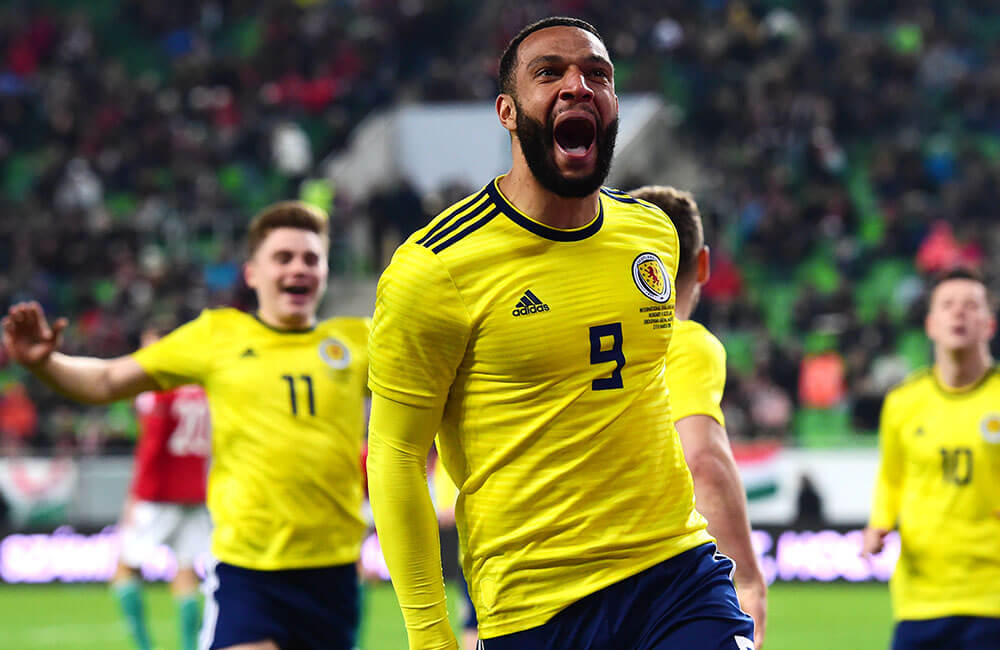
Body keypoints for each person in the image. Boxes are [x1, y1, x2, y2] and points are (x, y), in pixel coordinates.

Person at [366, 16, 754, 650]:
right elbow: (396, 455)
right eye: (549, 73)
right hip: (538, 606)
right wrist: (431, 637)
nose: (579, 85)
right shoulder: (436, 270)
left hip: (676, 573)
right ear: (508, 112)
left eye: (597, 74)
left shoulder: (652, 234)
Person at [2, 201, 369, 650]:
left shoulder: (358, 341)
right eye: (284, 257)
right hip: (248, 571)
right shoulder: (217, 335)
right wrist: (46, 364)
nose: (299, 268)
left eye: (311, 258)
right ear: (252, 273)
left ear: (326, 270)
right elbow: (107, 380)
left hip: (334, 570)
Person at [629, 185, 767, 648]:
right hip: (656, 583)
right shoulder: (683, 340)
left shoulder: (579, 344)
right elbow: (703, 461)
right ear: (703, 264)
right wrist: (747, 577)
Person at [862, 267, 1000, 650]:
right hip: (920, 599)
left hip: (992, 597)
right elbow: (892, 477)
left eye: (971, 306)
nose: (959, 313)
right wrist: (879, 524)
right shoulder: (903, 402)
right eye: (948, 305)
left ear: (988, 324)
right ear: (930, 324)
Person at [112, 325, 212, 650]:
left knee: (125, 569)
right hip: (196, 491)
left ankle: (143, 646)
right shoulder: (202, 388)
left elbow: (151, 446)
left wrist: (133, 497)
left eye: (150, 342)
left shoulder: (159, 389)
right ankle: (189, 646)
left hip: (158, 493)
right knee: (186, 571)